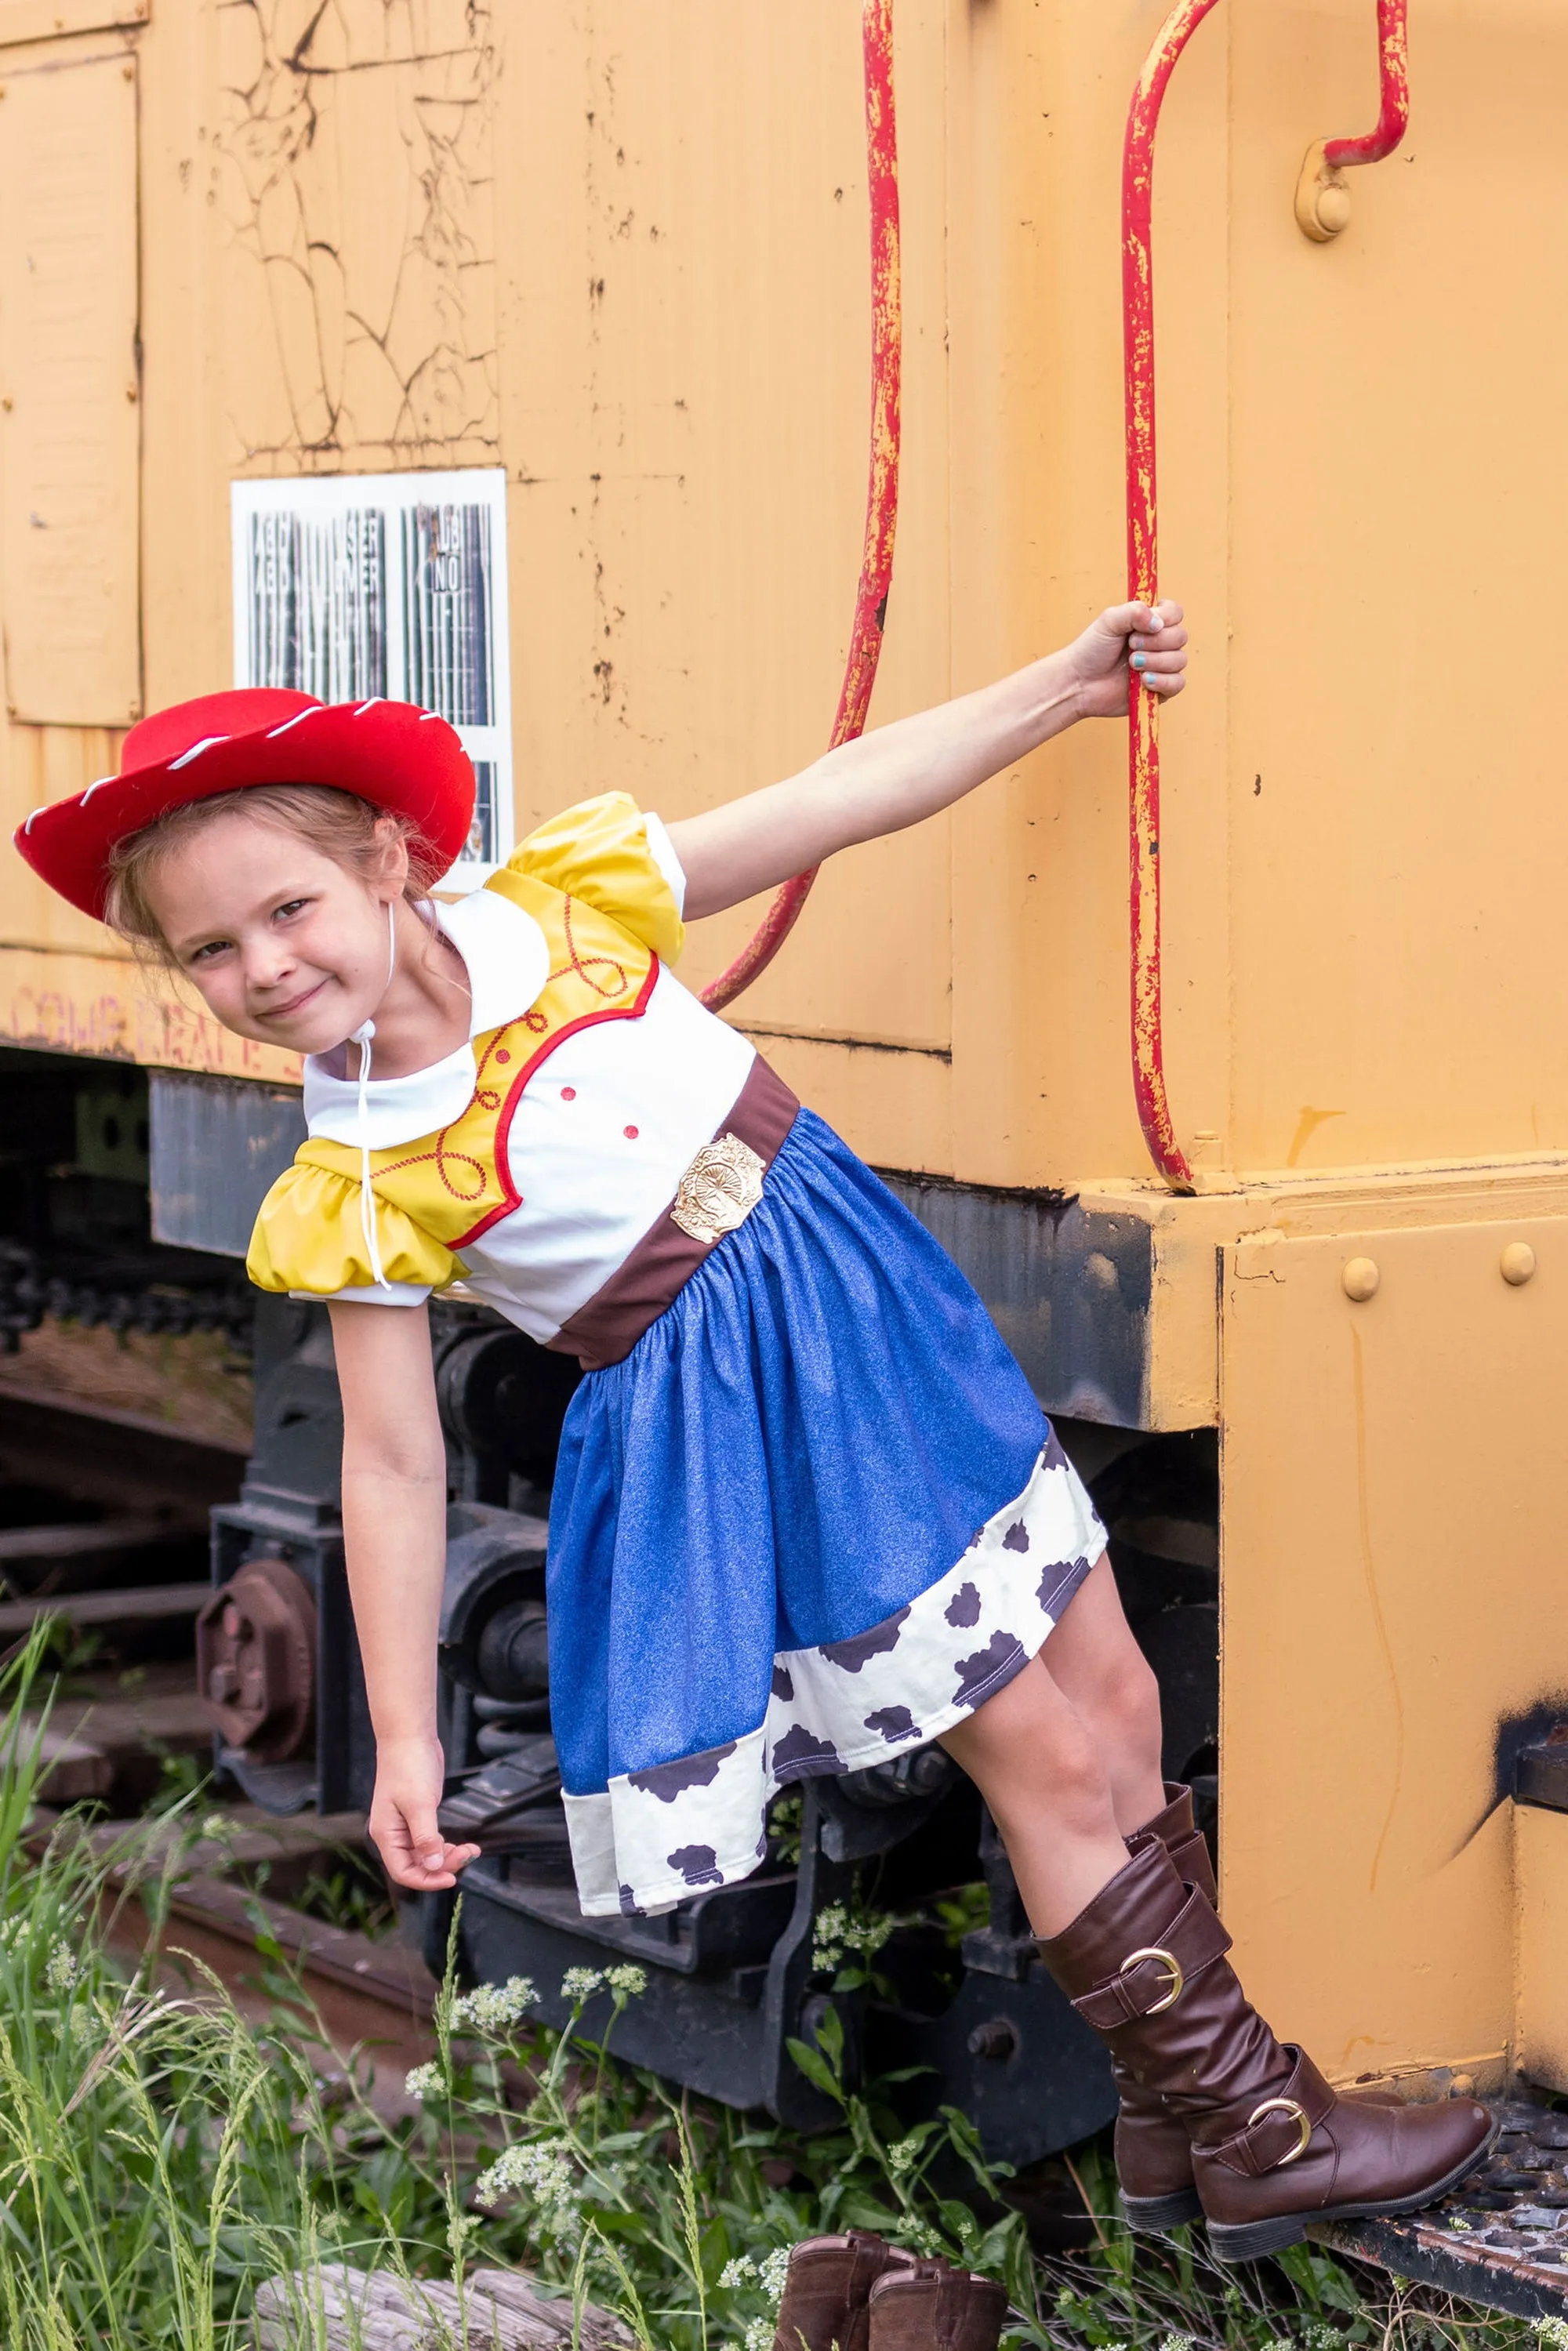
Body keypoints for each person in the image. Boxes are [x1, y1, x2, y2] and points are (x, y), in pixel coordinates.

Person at [14, 600, 1492, 2264]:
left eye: (285, 910)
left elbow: (827, 802)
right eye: (211, 952)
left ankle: (1164, 2129)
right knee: (1049, 1757)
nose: (266, 968)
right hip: (766, 1425)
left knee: (1122, 1693)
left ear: (385, 857)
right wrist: (411, 1739)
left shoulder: (553, 903)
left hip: (870, 1313)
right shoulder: (354, 1174)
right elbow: (390, 1458)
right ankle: (1261, 2126)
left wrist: (1059, 690)